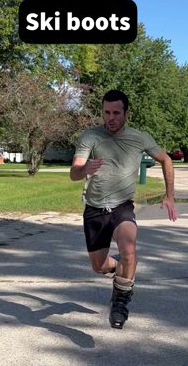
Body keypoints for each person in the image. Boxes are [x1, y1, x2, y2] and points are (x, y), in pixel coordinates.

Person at [70, 89, 178, 329]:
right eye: (107, 112)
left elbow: (166, 159)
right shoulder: (90, 136)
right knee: (99, 266)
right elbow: (74, 172)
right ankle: (122, 265)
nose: (111, 117)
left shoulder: (139, 138)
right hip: (95, 209)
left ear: (126, 113)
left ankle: (120, 304)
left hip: (122, 207)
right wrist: (85, 169)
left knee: (129, 248)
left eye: (116, 112)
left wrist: (169, 195)